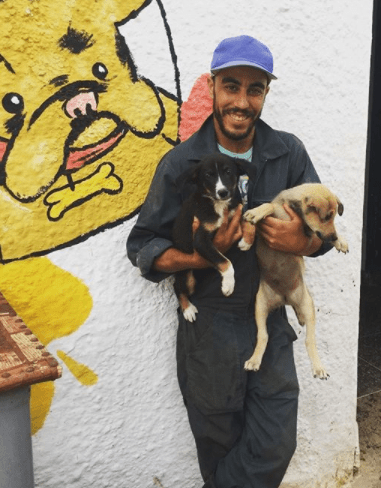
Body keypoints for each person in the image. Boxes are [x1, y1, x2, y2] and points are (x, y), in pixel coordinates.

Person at [127, 35, 329, 488]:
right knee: (217, 445)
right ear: (212, 86)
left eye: (254, 89)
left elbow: (324, 228)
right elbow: (142, 245)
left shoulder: (288, 153)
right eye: (231, 86)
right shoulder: (182, 162)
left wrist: (303, 241)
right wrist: (201, 255)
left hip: (269, 323)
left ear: (266, 93)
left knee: (276, 443)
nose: (241, 101)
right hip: (210, 331)